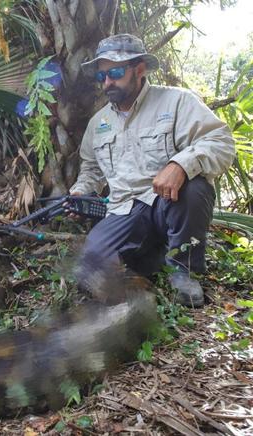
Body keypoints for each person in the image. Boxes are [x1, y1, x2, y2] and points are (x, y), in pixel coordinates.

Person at [70, 34, 235, 307]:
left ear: (140, 70)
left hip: (168, 201)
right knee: (91, 268)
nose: (108, 82)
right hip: (124, 209)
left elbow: (220, 141)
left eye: (116, 73)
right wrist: (80, 190)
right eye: (103, 76)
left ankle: (184, 272)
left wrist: (180, 165)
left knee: (195, 187)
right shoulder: (98, 123)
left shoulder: (177, 102)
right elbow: (91, 169)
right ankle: (155, 258)